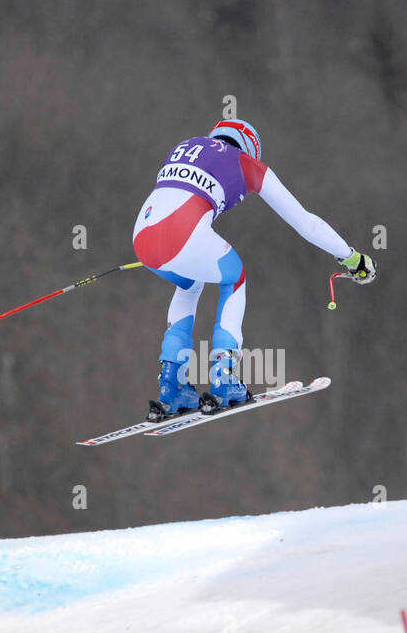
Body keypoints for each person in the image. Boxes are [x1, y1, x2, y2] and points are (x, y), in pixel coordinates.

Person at [132, 118, 376, 418]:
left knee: (189, 284)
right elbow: (306, 223)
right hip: (180, 236)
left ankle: (172, 384)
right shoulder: (246, 163)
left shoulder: (186, 146)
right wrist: (352, 258)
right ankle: (225, 377)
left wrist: (162, 244)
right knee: (234, 277)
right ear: (250, 149)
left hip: (142, 237)